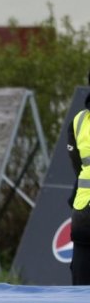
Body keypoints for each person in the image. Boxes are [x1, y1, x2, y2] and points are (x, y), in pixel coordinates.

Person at [67, 90, 90, 285]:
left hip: (84, 213)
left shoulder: (79, 120)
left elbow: (77, 165)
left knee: (81, 291)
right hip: (84, 218)